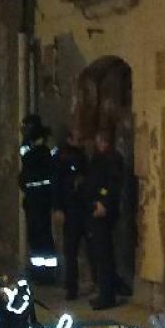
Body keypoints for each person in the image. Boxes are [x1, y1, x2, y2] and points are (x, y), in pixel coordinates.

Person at [87, 129, 129, 310]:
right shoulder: (100, 158)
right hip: (96, 208)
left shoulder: (111, 159)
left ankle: (107, 295)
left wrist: (103, 202)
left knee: (104, 255)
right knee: (100, 254)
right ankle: (107, 291)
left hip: (104, 212)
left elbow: (111, 185)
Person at [52, 126, 94, 300]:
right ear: (69, 139)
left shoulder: (82, 156)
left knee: (90, 248)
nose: (81, 141)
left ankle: (90, 282)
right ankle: (71, 287)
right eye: (78, 138)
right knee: (71, 250)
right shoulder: (61, 157)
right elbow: (56, 184)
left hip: (83, 209)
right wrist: (58, 208)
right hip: (70, 210)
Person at [19, 115, 58, 283]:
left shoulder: (47, 144)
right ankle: (37, 272)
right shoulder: (28, 145)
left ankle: (48, 274)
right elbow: (25, 157)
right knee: (34, 236)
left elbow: (52, 158)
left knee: (43, 235)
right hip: (32, 198)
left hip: (43, 198)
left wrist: (42, 144)